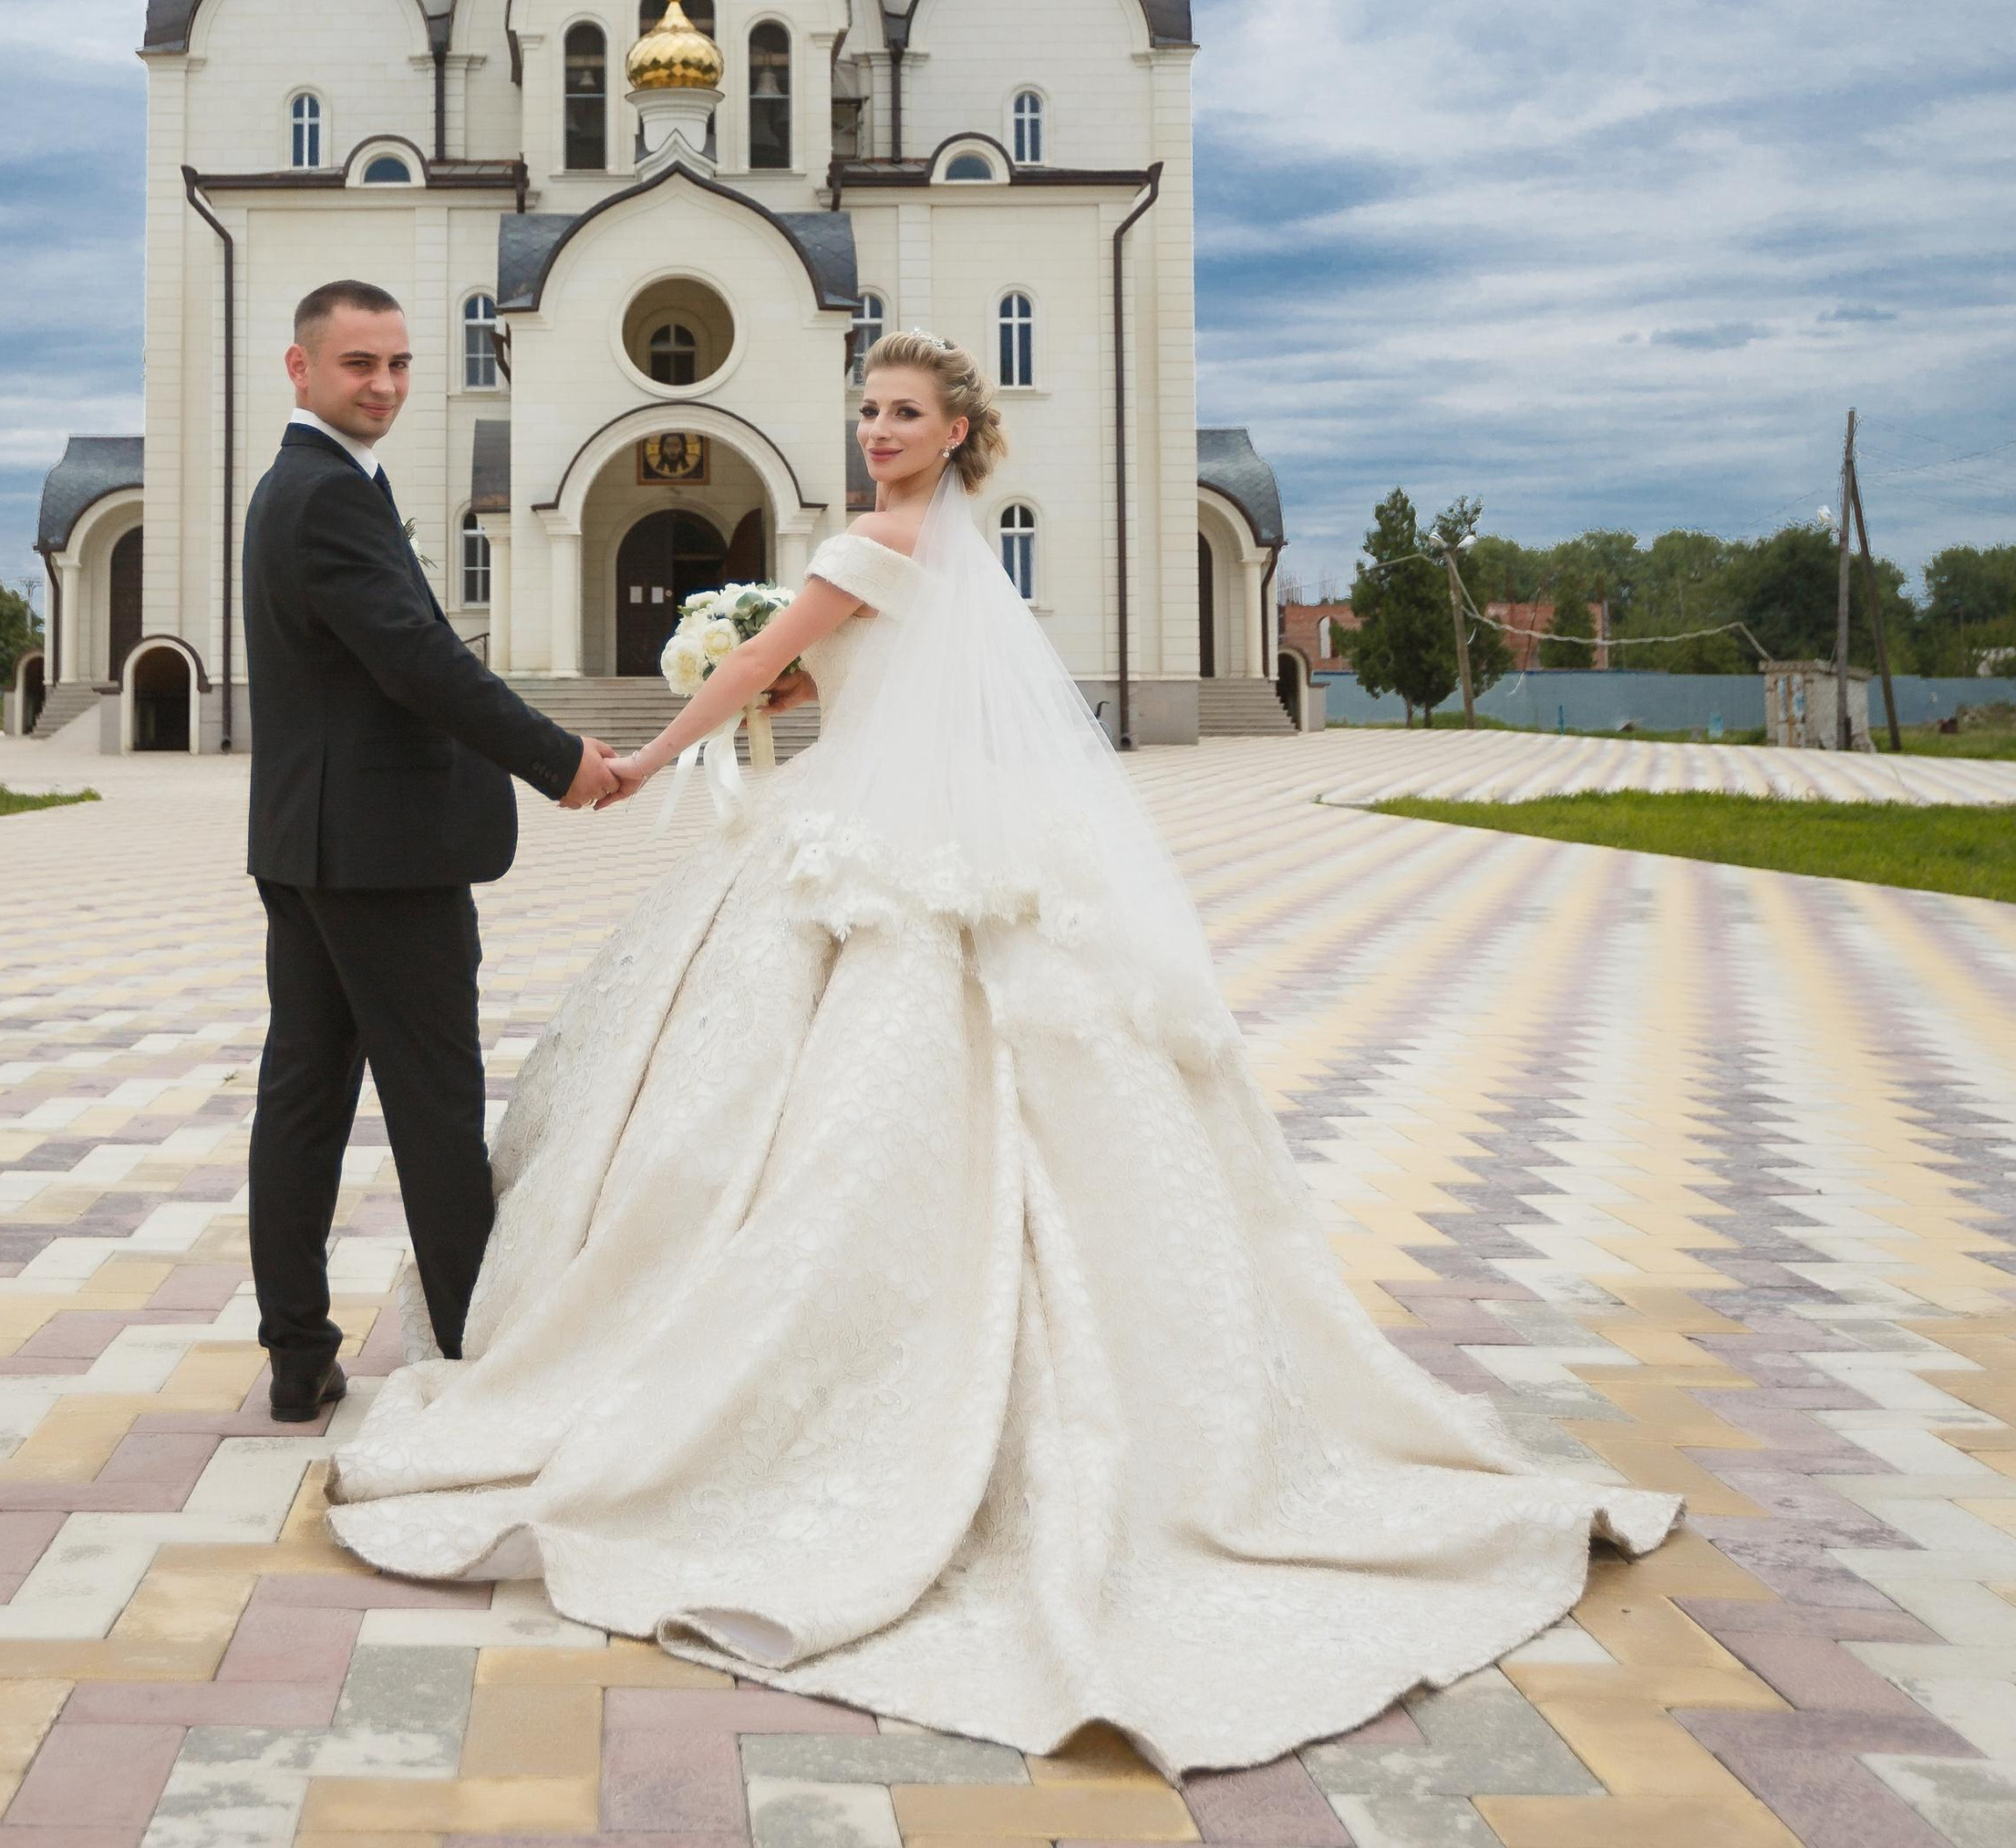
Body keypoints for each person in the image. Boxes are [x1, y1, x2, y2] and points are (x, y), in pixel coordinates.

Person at [326, 331, 1677, 1775]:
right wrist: (790, 688)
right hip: (936, 825)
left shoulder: (869, 539)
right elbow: (849, 680)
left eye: (905, 414)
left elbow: (766, 668)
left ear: (961, 431)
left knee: (801, 1105)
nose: (878, 431)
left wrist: (649, 759)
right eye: (868, 410)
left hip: (857, 836)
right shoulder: (951, 553)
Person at [243, 278, 620, 1424]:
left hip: (312, 844)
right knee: (436, 1109)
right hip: (381, 857)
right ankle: (477, 1356)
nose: (388, 385)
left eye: (401, 363)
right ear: (301, 369)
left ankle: (301, 1357)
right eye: (361, 364)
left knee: (303, 1100)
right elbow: (419, 661)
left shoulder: (308, 488)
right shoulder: (326, 496)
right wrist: (557, 759)